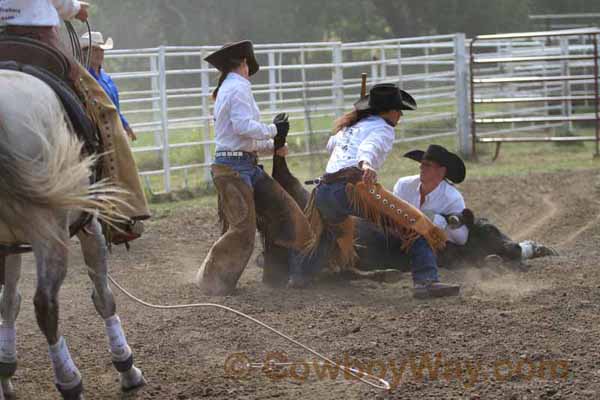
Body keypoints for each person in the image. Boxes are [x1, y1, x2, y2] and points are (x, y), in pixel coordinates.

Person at [288, 83, 460, 299]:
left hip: (324, 191)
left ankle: (300, 274)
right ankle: (426, 281)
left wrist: (353, 132)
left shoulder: (350, 127)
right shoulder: (383, 129)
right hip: (354, 188)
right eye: (398, 110)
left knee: (329, 234)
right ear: (389, 111)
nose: (400, 116)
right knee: (417, 224)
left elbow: (331, 145)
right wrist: (366, 164)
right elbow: (369, 147)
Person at [0, 0, 151, 244]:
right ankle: (120, 211)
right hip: (41, 41)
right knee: (103, 110)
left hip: (4, 40)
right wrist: (76, 9)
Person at [197, 40, 313, 296]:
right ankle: (213, 282)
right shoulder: (238, 87)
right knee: (253, 225)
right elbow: (242, 127)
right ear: (244, 63)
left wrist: (272, 145)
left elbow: (240, 137)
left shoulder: (230, 87)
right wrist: (273, 130)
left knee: (259, 221)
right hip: (235, 169)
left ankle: (278, 273)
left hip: (236, 166)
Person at [81, 31, 136, 141]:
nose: (99, 54)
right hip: (96, 131)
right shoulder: (83, 79)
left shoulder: (106, 78)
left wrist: (125, 125)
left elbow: (115, 108)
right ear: (85, 53)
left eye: (101, 50)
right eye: (95, 50)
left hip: (113, 127)